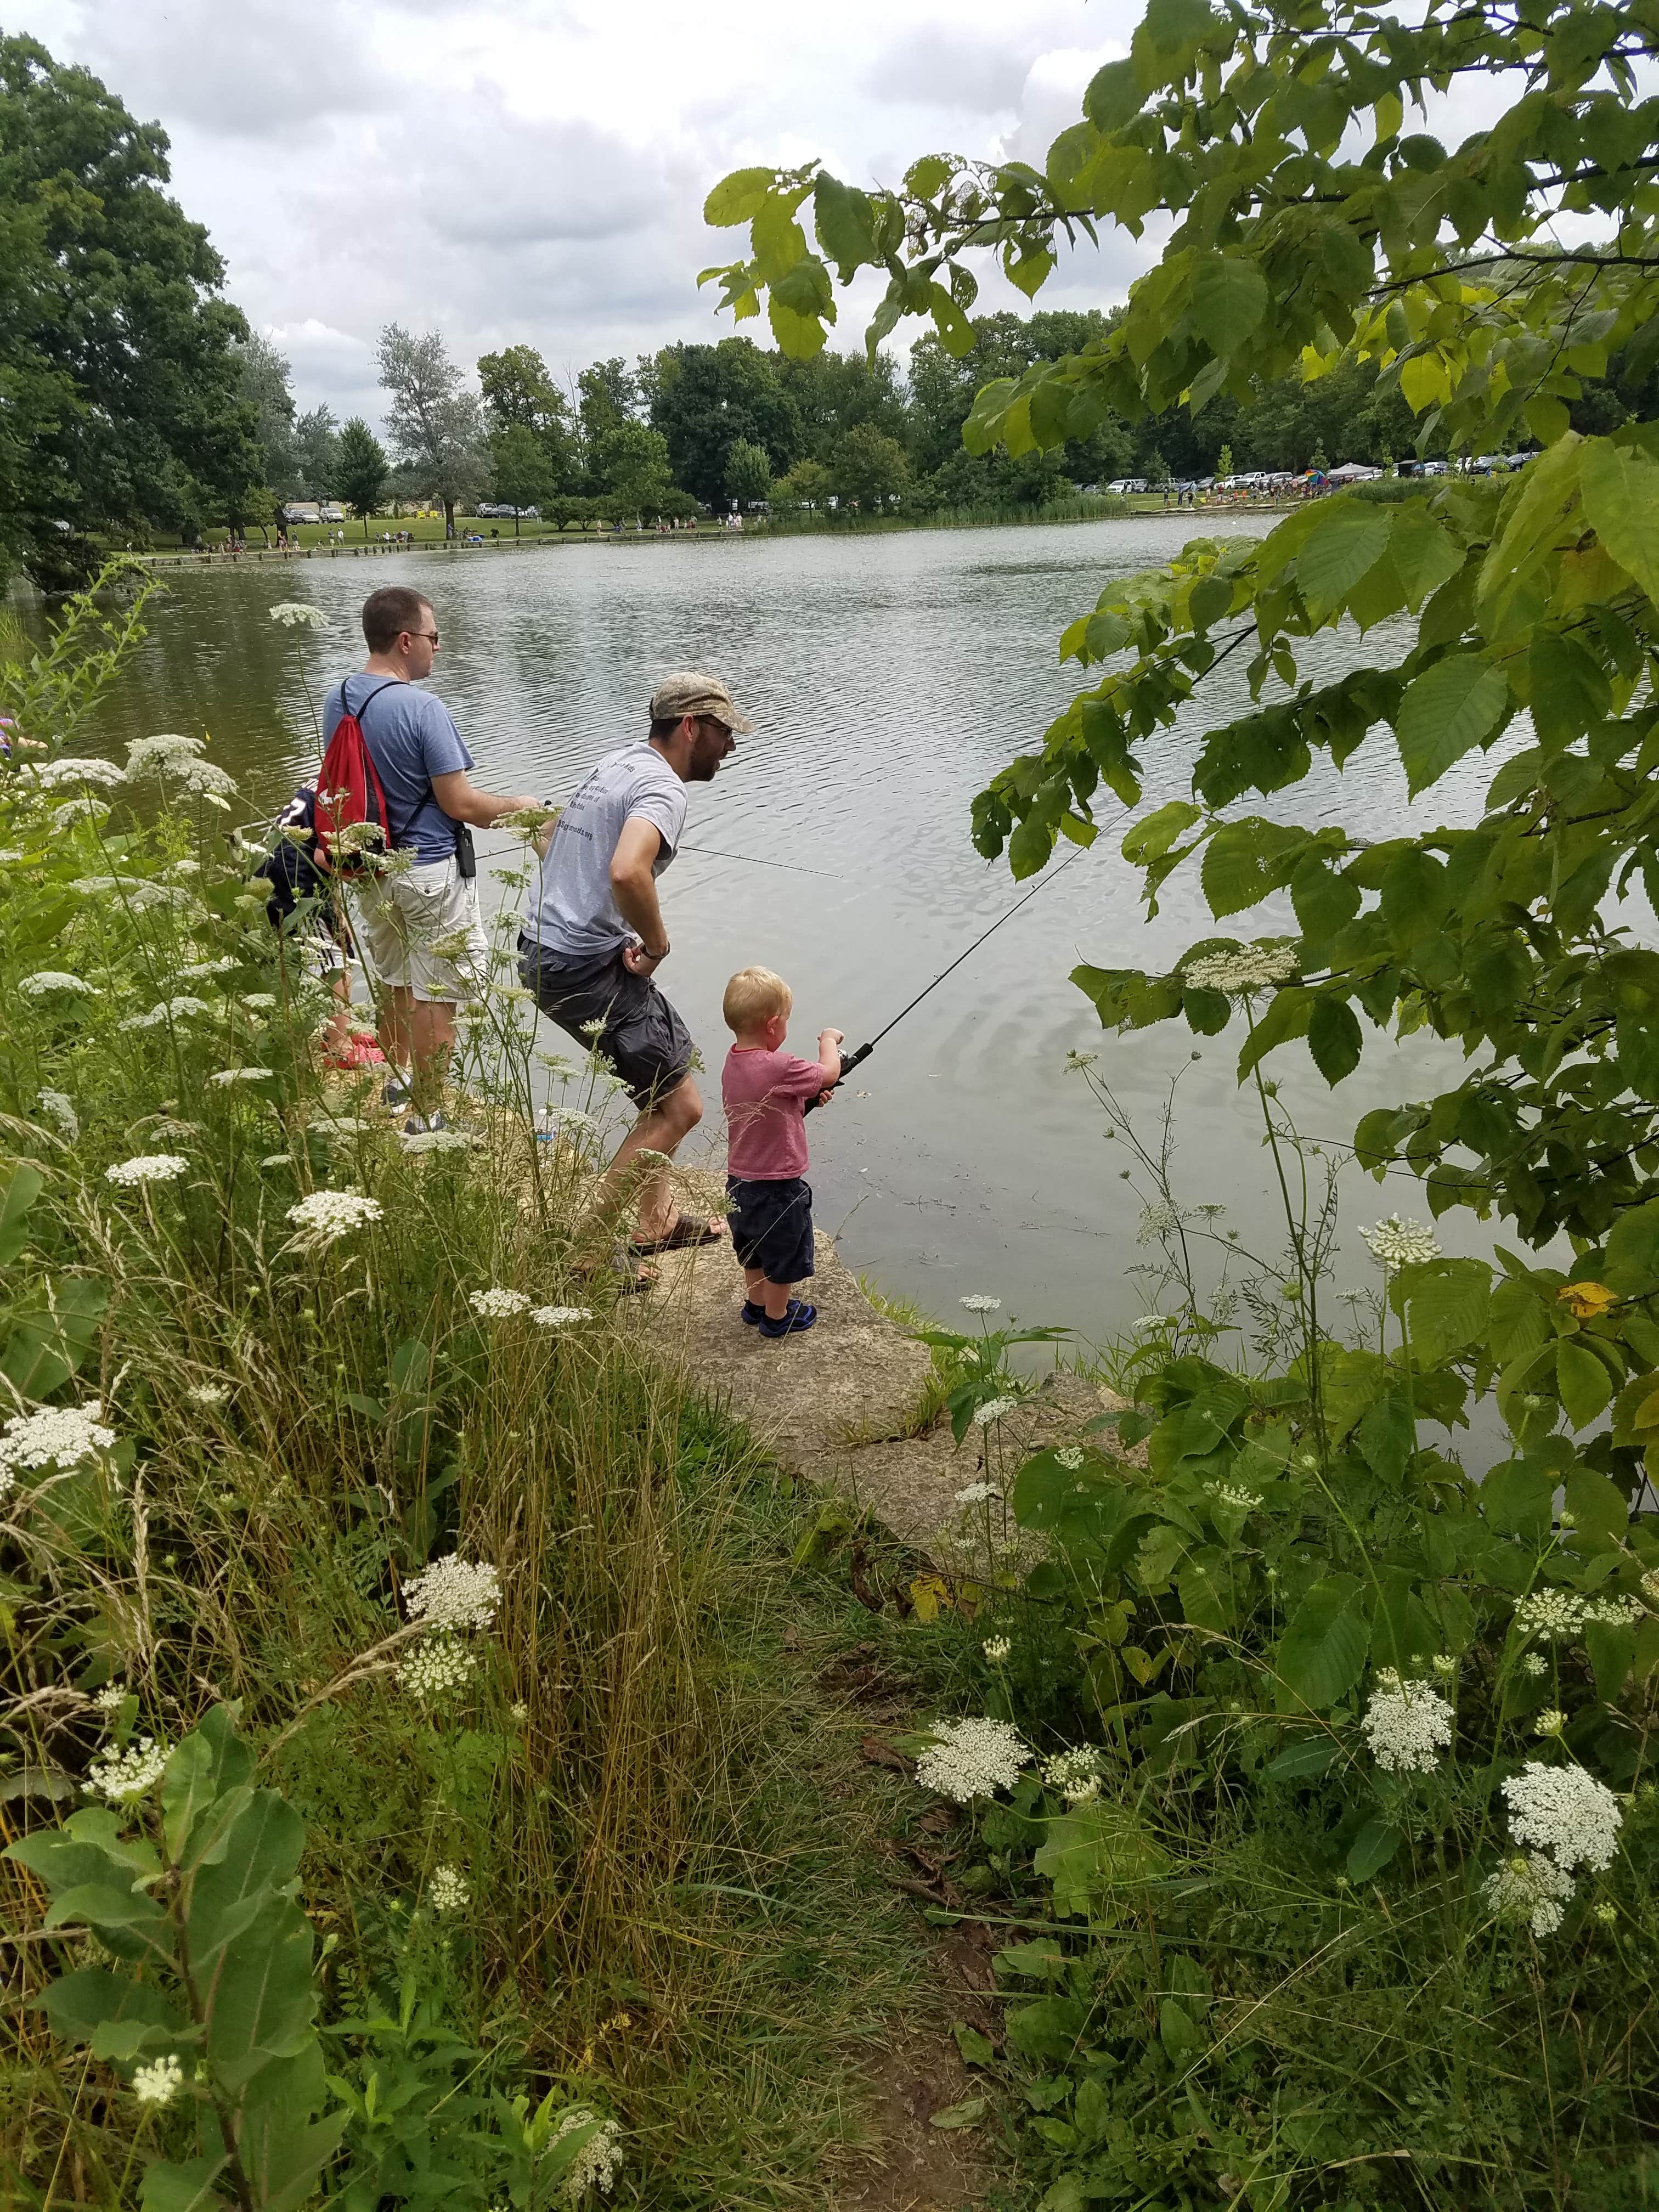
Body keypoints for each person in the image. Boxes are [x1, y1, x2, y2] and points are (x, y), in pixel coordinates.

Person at [520, 669, 751, 1259]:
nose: (732, 746)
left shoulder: (616, 762)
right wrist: (655, 946)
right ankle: (585, 1254)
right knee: (681, 1107)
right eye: (725, 733)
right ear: (691, 727)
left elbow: (552, 835)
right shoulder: (665, 790)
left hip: (542, 950)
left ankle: (659, 1222)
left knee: (658, 1086)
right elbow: (627, 871)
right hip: (581, 964)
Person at [326, 584, 540, 1127]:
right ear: (405, 641)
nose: (437, 647)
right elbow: (461, 803)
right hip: (428, 872)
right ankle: (428, 1117)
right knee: (436, 996)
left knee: (395, 981)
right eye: (433, 636)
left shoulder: (339, 699)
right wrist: (523, 808)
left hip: (370, 867)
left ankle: (397, 1089)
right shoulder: (424, 708)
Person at [720, 966, 841, 1339]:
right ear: (773, 1026)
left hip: (740, 1181)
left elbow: (771, 1099)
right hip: (778, 1186)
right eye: (786, 1022)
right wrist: (829, 1041)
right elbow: (828, 1074)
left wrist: (805, 1098)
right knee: (785, 1251)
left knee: (753, 1248)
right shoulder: (781, 1065)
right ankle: (777, 1317)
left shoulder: (733, 1061)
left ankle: (755, 1305)